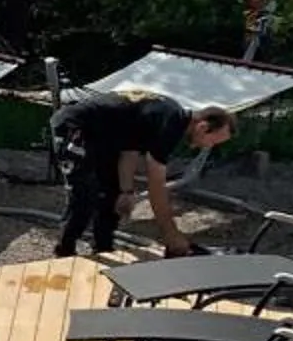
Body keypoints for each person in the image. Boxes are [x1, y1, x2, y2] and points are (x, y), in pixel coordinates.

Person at [53, 92, 236, 258]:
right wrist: (171, 235)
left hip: (103, 137)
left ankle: (102, 249)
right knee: (84, 194)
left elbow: (130, 150)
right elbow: (156, 186)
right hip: (76, 127)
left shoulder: (167, 114)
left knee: (112, 194)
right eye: (213, 140)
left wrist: (126, 191)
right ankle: (64, 253)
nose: (209, 146)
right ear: (203, 127)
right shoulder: (170, 124)